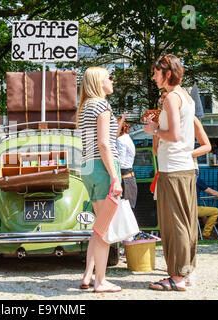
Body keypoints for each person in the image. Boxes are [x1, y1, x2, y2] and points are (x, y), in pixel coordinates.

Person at [143, 54, 197, 292]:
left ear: (167, 73)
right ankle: (185, 272)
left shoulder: (171, 98)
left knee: (174, 223)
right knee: (186, 222)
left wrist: (154, 129)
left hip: (172, 168)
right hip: (184, 166)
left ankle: (176, 276)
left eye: (156, 72)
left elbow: (173, 135)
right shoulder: (186, 96)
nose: (153, 76)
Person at [77, 67, 122, 293]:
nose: (111, 80)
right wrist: (115, 176)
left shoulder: (85, 106)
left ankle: (88, 275)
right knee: (104, 230)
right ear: (99, 82)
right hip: (103, 168)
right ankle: (100, 281)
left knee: (98, 227)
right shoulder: (102, 105)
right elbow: (104, 144)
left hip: (88, 168)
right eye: (108, 77)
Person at [116, 113, 137, 208]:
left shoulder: (120, 140)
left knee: (123, 208)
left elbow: (120, 162)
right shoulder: (127, 138)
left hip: (124, 178)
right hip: (129, 178)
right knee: (128, 209)